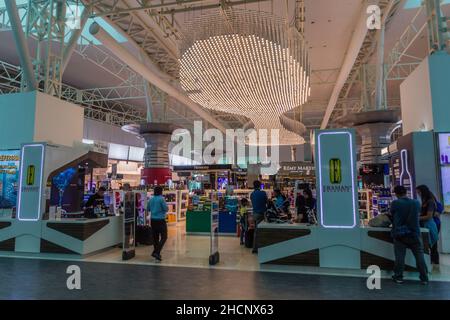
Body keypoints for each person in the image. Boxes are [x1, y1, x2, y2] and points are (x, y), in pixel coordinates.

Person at [390, 185, 428, 284]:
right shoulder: (416, 203)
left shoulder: (395, 203)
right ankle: (424, 278)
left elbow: (392, 215)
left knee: (400, 257)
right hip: (414, 233)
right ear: (406, 192)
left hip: (400, 234)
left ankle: (398, 277)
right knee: (419, 256)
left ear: (396, 193)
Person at [416, 185, 440, 265]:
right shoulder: (425, 201)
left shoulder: (430, 201)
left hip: (429, 225)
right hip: (425, 225)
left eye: (419, 192)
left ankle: (435, 264)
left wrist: (416, 218)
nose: (418, 194)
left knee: (433, 247)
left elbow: (429, 216)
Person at [147, 185, 168, 261]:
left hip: (153, 220)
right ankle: (156, 252)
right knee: (164, 237)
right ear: (161, 191)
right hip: (161, 220)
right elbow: (166, 209)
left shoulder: (151, 199)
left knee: (155, 238)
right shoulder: (161, 199)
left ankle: (157, 254)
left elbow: (148, 209)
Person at [250, 180, 268, 254]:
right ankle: (257, 248)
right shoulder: (263, 193)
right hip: (261, 214)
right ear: (260, 185)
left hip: (254, 214)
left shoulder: (252, 194)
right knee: (259, 231)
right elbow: (266, 202)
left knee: (256, 231)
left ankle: (255, 247)